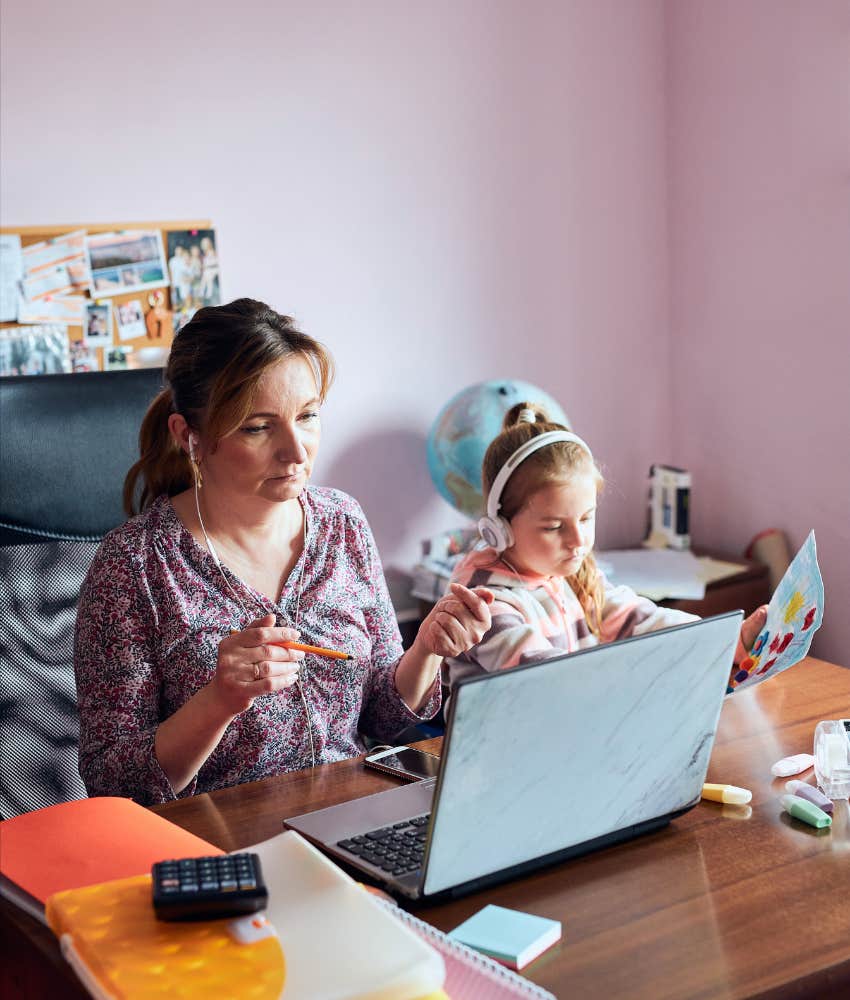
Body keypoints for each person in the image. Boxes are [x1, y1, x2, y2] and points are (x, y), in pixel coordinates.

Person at [74, 299, 493, 806]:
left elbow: (383, 719)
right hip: (221, 845)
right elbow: (113, 786)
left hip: (350, 817)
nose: (297, 452)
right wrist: (219, 700)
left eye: (308, 416)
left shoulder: (342, 523)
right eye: (258, 427)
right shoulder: (132, 565)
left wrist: (425, 649)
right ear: (190, 436)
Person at [443, 403, 767, 690]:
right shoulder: (481, 600)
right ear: (499, 528)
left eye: (586, 518)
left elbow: (637, 618)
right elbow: (543, 678)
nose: (578, 540)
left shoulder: (566, 568)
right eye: (554, 527)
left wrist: (727, 639)